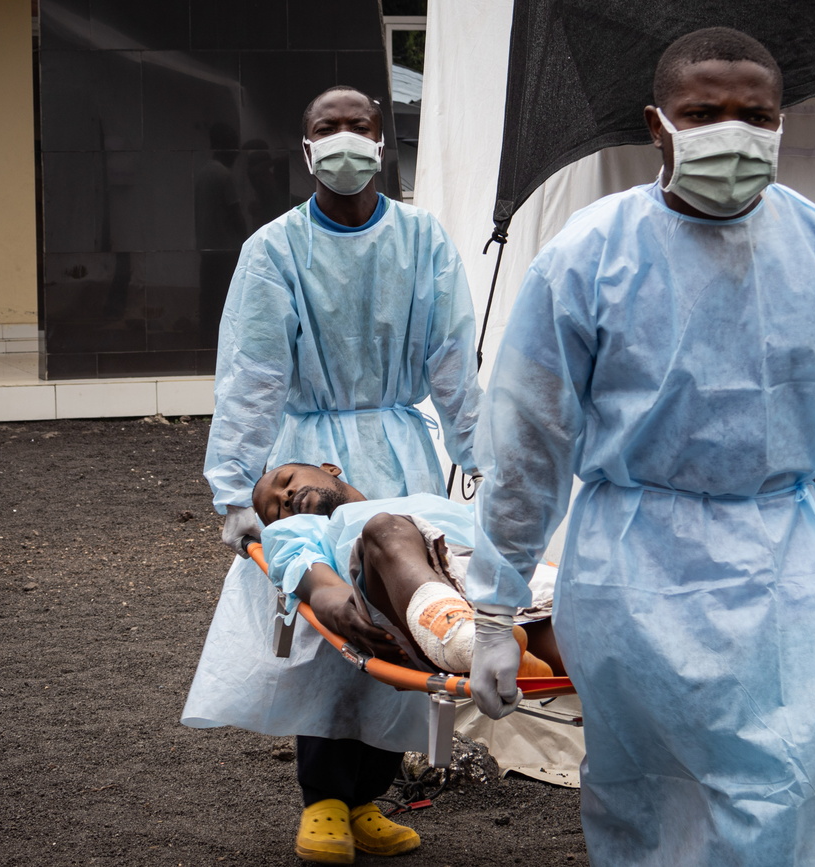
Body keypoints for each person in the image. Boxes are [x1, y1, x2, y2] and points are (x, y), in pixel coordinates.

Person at [465, 27, 815, 867]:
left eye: (756, 115)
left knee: (813, 787)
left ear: (783, 123)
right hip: (640, 573)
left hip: (795, 564)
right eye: (704, 113)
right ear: (656, 123)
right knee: (662, 801)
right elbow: (530, 441)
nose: (732, 133)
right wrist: (497, 604)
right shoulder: (588, 258)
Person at [181, 85, 483, 864]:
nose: (345, 139)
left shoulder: (423, 241)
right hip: (305, 463)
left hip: (400, 454)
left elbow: (455, 368)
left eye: (359, 127)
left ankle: (367, 797)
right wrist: (235, 489)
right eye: (328, 128)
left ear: (382, 144)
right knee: (327, 633)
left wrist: (488, 462)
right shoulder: (275, 250)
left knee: (400, 625)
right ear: (305, 146)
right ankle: (321, 801)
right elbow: (249, 377)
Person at [252, 461, 560, 678]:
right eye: (276, 510)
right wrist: (341, 614)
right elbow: (321, 587)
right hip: (404, 603)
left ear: (329, 468)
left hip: (499, 587)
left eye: (287, 481)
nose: (285, 497)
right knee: (384, 528)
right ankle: (463, 640)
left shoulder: (427, 502)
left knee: (587, 656)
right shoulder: (299, 532)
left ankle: (481, 647)